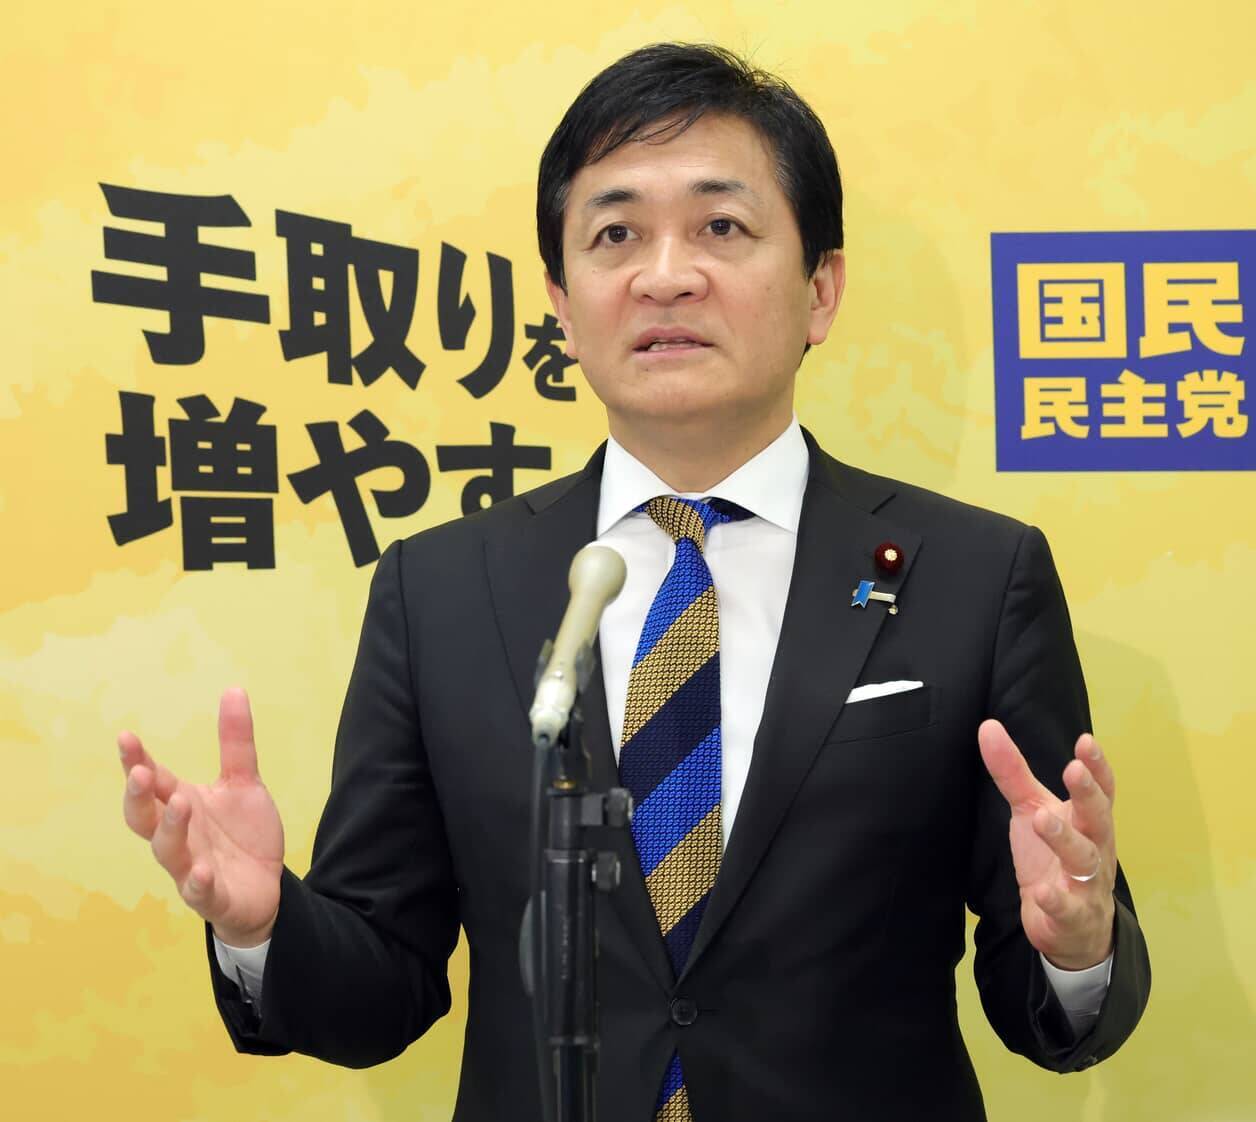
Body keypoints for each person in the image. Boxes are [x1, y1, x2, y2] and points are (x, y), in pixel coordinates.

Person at [117, 43, 1150, 1121]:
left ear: (820, 290)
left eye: (721, 227)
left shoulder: (975, 577)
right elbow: (382, 989)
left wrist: (1076, 947)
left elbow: (1048, 1002)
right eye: (615, 235)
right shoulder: (441, 591)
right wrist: (263, 926)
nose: (665, 276)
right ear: (562, 306)